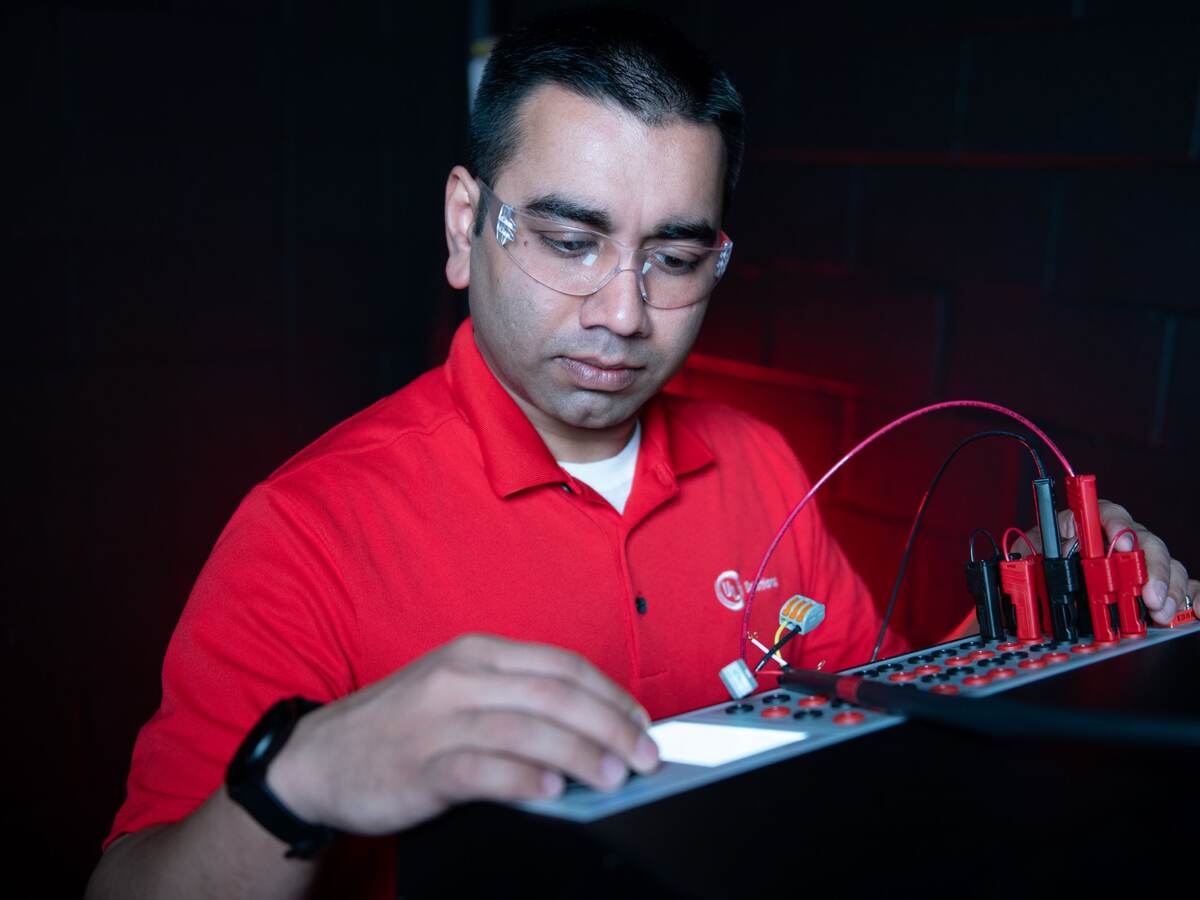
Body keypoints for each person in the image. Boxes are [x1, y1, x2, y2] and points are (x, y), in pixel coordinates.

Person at [86, 10, 1197, 900]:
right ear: (465, 224)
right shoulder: (308, 530)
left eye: (672, 256)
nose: (622, 312)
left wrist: (1048, 637)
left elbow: (872, 729)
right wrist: (306, 778)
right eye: (572, 243)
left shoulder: (759, 461)